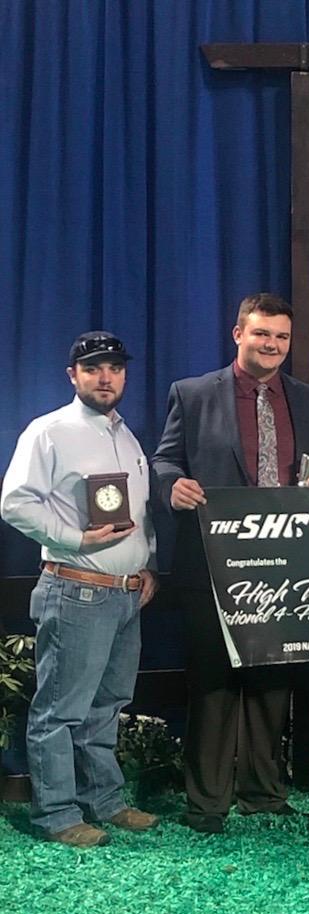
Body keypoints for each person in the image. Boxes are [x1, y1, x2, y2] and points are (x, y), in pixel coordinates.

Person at [151, 293, 309, 835]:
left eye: (280, 337)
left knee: (274, 679)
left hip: (286, 565)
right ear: (238, 334)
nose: (272, 344)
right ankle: (207, 803)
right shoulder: (192, 393)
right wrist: (170, 486)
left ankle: (264, 794)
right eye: (261, 334)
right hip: (211, 564)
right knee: (212, 681)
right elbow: (164, 459)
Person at [1, 332, 159, 847]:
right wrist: (74, 538)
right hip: (76, 587)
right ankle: (57, 815)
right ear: (73, 376)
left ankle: (105, 801)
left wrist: (146, 564)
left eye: (114, 367)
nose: (105, 376)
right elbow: (15, 504)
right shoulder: (49, 432)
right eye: (93, 369)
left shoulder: (127, 437)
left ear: (125, 374)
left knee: (107, 704)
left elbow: (139, 513)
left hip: (124, 592)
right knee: (61, 710)